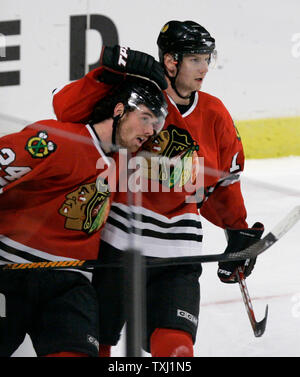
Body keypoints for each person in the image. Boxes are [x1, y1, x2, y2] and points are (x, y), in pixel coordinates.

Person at [52, 21, 264, 357]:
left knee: (176, 349)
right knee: (96, 342)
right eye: (195, 59)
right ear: (170, 61)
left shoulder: (214, 113)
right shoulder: (134, 98)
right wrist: (106, 74)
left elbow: (222, 180)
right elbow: (63, 108)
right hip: (116, 242)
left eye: (207, 59)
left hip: (178, 248)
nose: (204, 68)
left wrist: (236, 229)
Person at [0, 75, 168, 357]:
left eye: (156, 123)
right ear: (119, 111)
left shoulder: (125, 163)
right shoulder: (56, 139)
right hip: (10, 273)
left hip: (70, 284)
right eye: (146, 118)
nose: (151, 130)